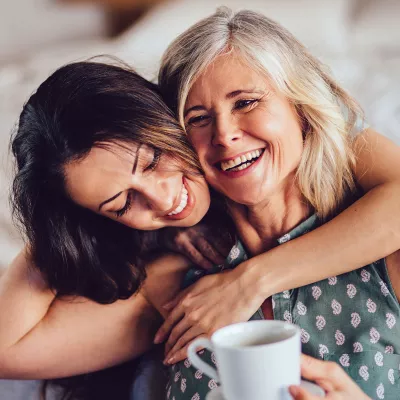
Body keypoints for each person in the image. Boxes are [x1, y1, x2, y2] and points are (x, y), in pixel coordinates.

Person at [1, 51, 399, 397]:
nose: (163, 199)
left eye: (155, 159)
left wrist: (252, 280)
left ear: (169, 118)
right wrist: (59, 225)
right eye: (122, 203)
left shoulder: (372, 243)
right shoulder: (179, 287)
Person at [156, 7, 400, 399]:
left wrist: (251, 282)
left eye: (246, 102)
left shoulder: (382, 264)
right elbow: (18, 350)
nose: (224, 135)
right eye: (198, 118)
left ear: (301, 109)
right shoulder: (179, 277)